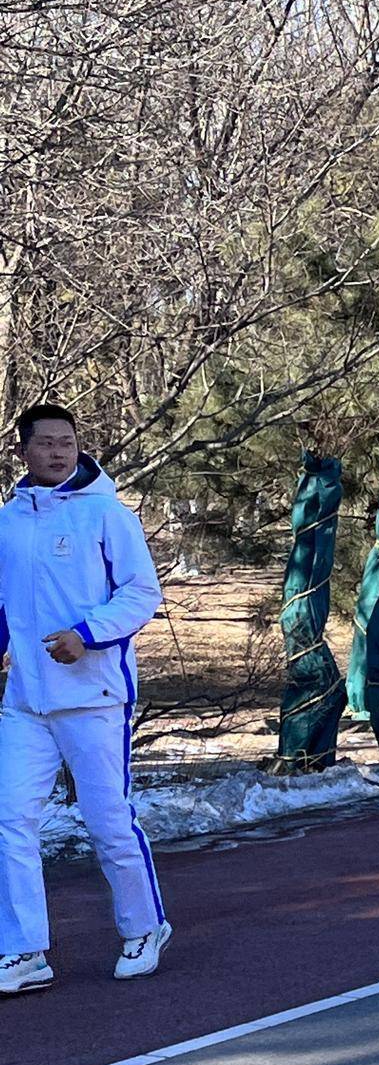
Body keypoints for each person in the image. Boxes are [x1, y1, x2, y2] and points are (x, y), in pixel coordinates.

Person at [0, 404, 169, 996]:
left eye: (66, 442)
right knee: (10, 821)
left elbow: (142, 593)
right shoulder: (9, 521)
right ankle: (24, 951)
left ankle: (144, 928)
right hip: (25, 703)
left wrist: (87, 635)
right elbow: (4, 607)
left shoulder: (107, 514)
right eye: (44, 443)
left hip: (94, 697)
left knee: (107, 823)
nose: (57, 452)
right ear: (22, 451)